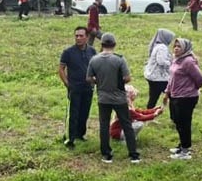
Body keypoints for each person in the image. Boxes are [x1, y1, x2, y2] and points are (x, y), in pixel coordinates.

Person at [88, 33, 139, 164]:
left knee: (104, 126)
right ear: (114, 45)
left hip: (103, 98)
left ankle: (106, 154)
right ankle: (133, 154)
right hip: (119, 98)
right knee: (127, 124)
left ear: (102, 44)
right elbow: (127, 78)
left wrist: (98, 81)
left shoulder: (94, 60)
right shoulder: (119, 60)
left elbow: (88, 78)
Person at [164, 38, 202, 160]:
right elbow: (171, 78)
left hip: (186, 97)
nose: (176, 48)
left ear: (185, 48)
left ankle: (186, 151)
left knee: (184, 123)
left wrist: (191, 88)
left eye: (179, 46)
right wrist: (167, 92)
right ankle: (182, 145)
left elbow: (200, 80)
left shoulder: (188, 61)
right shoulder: (176, 59)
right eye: (175, 46)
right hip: (175, 95)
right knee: (176, 120)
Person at [59, 27, 96, 149]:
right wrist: (67, 83)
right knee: (73, 113)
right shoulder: (68, 52)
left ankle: (81, 134)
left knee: (85, 112)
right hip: (74, 87)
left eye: (81, 36)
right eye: (76, 36)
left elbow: (96, 67)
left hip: (88, 87)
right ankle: (71, 138)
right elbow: (61, 69)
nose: (78, 38)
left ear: (86, 37)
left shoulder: (92, 51)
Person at [143, 29, 176, 109]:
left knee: (153, 97)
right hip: (159, 78)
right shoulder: (162, 47)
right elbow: (161, 61)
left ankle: (148, 114)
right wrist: (172, 63)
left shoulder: (157, 45)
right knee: (173, 96)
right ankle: (174, 114)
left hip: (152, 76)